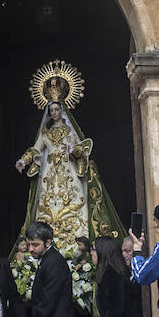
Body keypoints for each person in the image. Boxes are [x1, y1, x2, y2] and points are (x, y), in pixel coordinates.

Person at [14, 62, 123, 254]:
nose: (54, 112)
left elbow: (80, 149)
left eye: (57, 109)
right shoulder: (46, 132)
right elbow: (36, 148)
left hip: (68, 171)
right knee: (46, 204)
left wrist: (73, 149)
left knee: (74, 201)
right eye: (51, 110)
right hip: (49, 174)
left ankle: (76, 244)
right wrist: (24, 160)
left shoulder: (69, 131)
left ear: (62, 110)